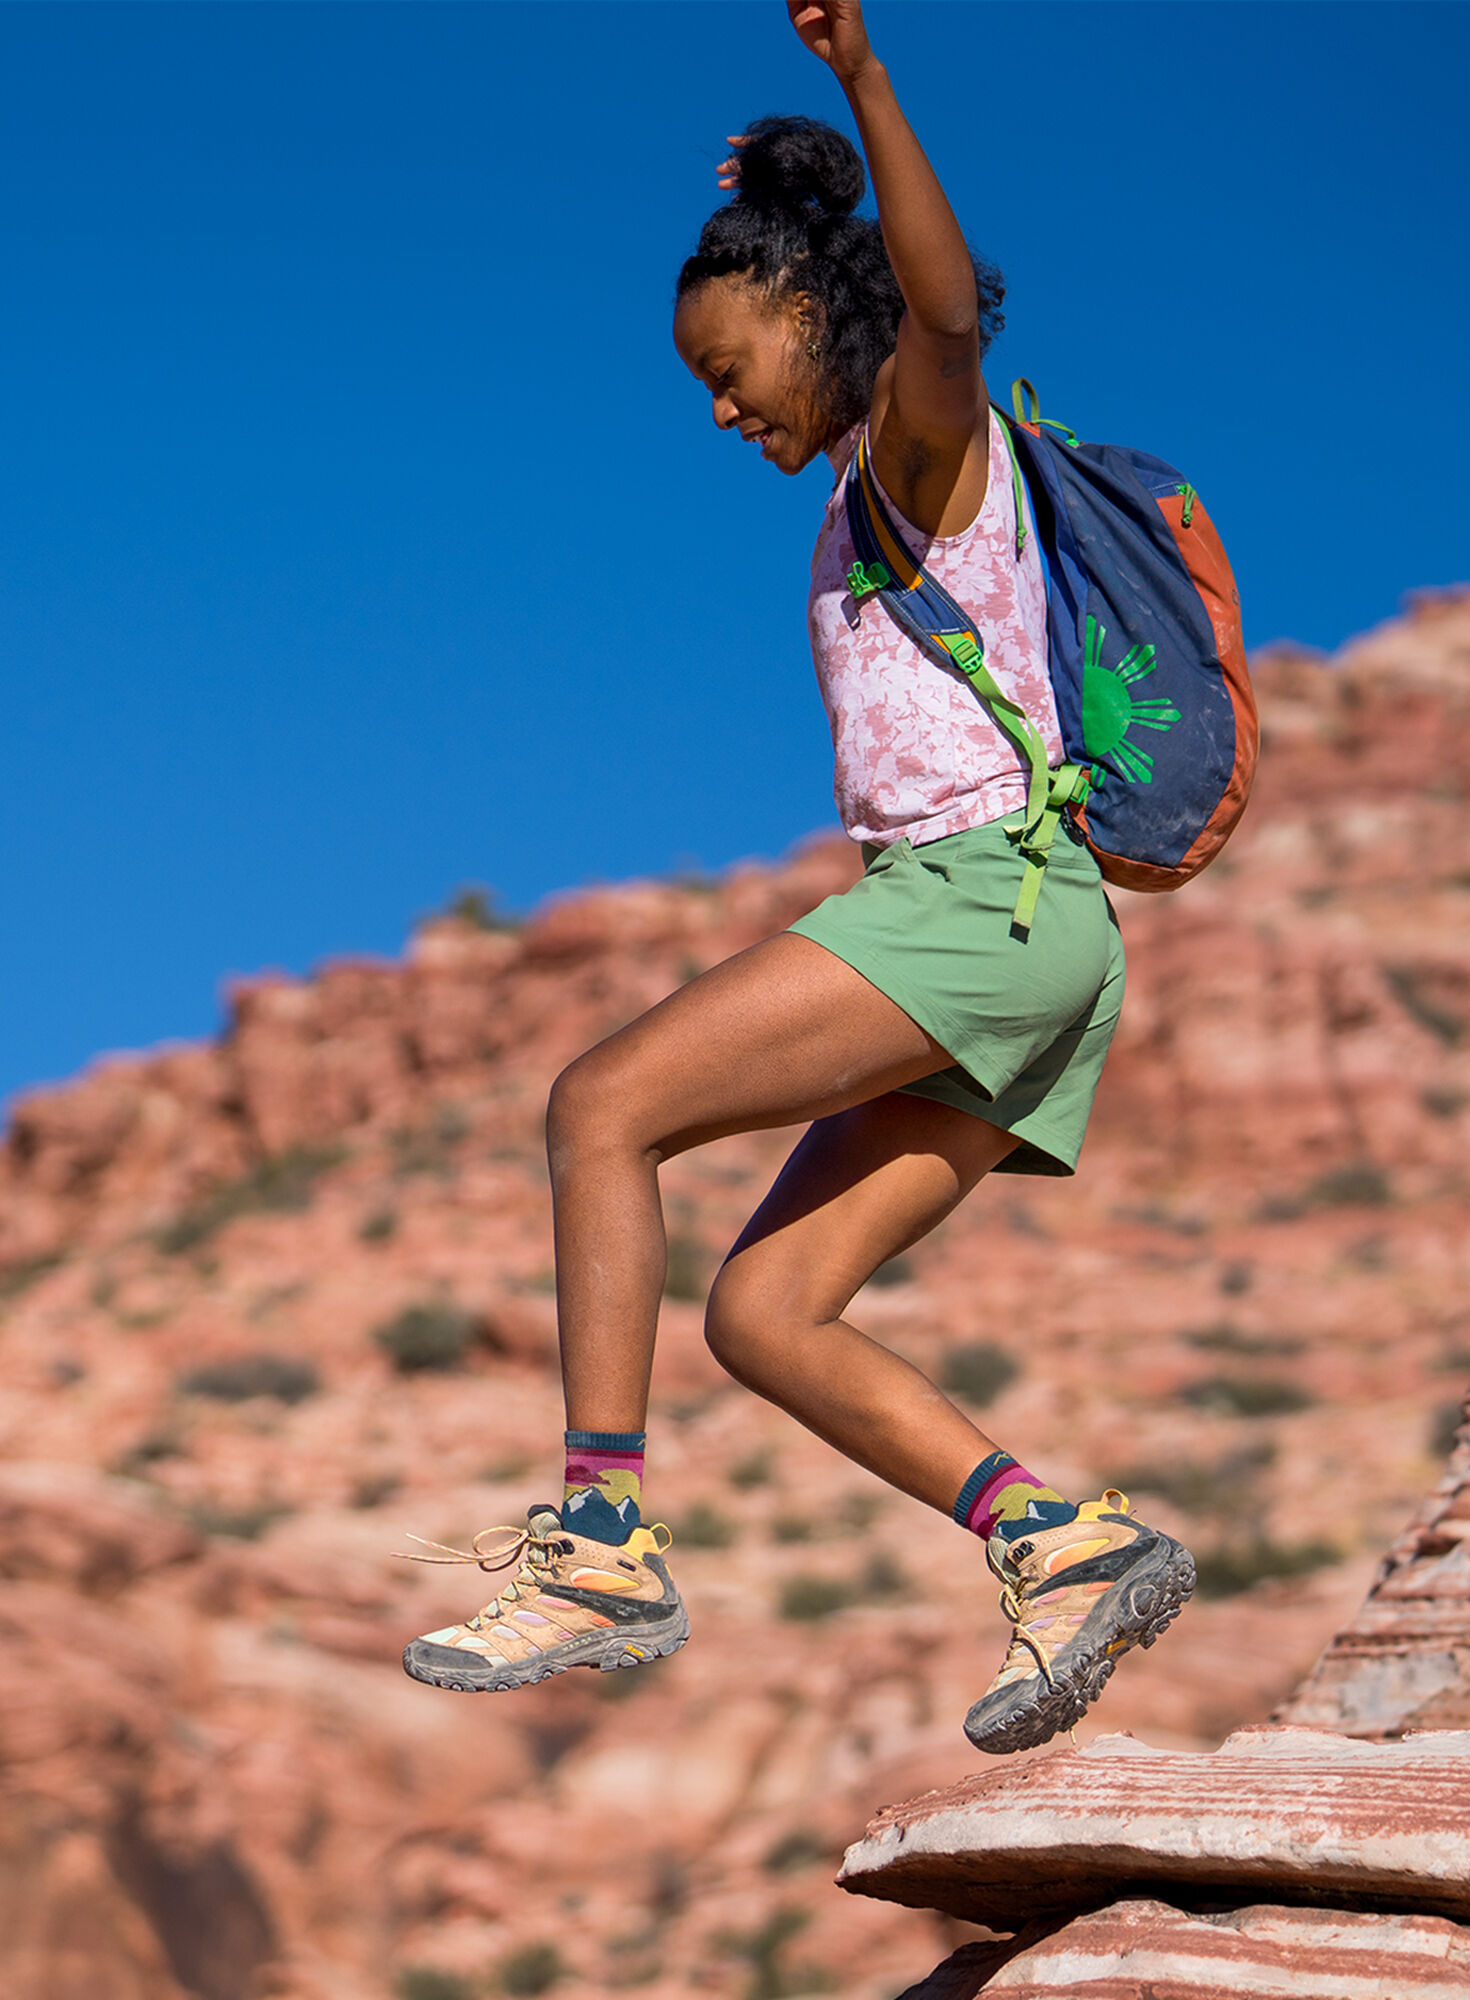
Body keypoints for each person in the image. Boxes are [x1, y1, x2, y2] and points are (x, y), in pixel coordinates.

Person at [401, 0, 1194, 1755]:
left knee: (601, 1108)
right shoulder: (861, 495)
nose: (717, 407)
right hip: (1034, 943)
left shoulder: (921, 445)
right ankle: (1064, 1543)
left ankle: (601, 1545)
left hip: (977, 903)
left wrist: (867, 84)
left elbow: (939, 307)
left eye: (726, 366)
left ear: (802, 313)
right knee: (763, 1311)